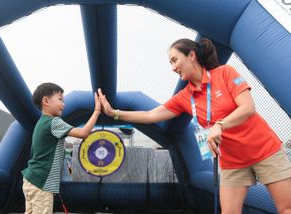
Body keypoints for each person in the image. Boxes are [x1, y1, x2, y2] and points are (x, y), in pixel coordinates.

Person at [98, 38, 291, 213]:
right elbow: (150, 115)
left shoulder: (225, 73)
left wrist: (220, 125)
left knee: (286, 209)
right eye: (170, 63)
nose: (173, 67)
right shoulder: (185, 97)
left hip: (264, 150)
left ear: (191, 56)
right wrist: (114, 113)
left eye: (174, 60)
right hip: (232, 161)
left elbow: (248, 108)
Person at [22, 82, 101, 214]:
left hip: (32, 181)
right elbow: (83, 133)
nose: (64, 104)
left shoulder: (42, 122)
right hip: (41, 182)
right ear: (46, 101)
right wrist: (97, 111)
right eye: (60, 99)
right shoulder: (53, 122)